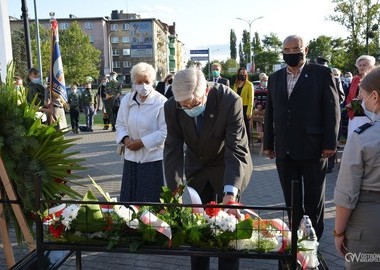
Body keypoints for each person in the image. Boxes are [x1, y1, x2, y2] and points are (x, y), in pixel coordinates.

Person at [164, 67, 253, 270]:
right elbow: (172, 149)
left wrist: (230, 193)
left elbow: (236, 148)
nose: (187, 108)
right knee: (198, 231)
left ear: (205, 92)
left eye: (192, 104)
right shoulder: (172, 107)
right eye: (183, 105)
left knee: (228, 231)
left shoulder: (229, 101)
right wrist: (174, 192)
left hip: (226, 167)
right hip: (197, 167)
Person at [263, 35, 340, 240]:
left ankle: (313, 241)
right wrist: (268, 144)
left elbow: (332, 110)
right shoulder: (275, 77)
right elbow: (270, 113)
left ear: (305, 50)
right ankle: (296, 240)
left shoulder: (322, 74)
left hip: (314, 148)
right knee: (291, 199)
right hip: (284, 149)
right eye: (286, 50)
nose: (290, 53)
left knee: (314, 199)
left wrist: (330, 143)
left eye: (295, 49)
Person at [334, 66, 380, 270]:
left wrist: (338, 232)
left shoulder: (363, 137)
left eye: (363, 97)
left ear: (375, 97)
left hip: (369, 222)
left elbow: (346, 194)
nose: (362, 102)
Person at [115, 62, 167, 202]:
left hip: (152, 160)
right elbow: (119, 124)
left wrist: (143, 142)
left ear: (153, 82)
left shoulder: (161, 102)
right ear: (133, 82)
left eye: (146, 81)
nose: (143, 85)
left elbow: (164, 131)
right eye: (139, 82)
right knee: (129, 202)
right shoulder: (127, 99)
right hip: (131, 158)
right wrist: (125, 139)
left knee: (151, 201)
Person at [345, 55, 375, 137]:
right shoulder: (355, 79)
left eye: (364, 65)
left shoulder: (375, 79)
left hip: (369, 117)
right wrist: (350, 104)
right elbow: (349, 96)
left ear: (371, 66)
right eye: (360, 65)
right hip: (354, 117)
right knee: (353, 143)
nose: (361, 67)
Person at [232, 67, 254, 145]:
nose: (243, 75)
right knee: (237, 126)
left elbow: (251, 99)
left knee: (246, 127)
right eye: (241, 74)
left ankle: (246, 144)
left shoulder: (249, 84)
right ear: (238, 74)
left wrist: (249, 112)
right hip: (237, 108)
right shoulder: (235, 84)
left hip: (245, 108)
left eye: (244, 74)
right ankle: (239, 143)